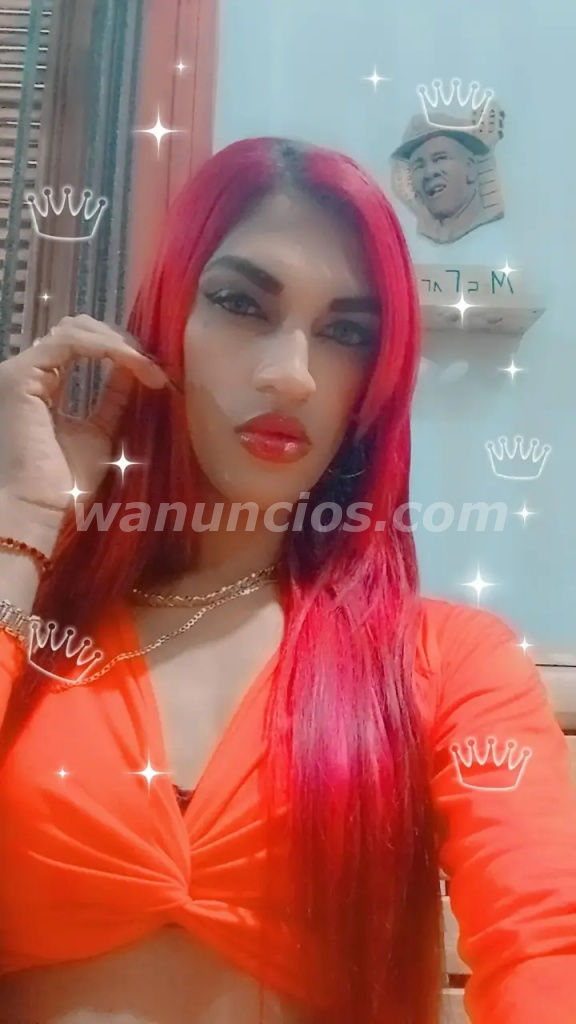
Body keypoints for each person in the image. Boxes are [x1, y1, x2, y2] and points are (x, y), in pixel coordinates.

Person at [0, 137, 574, 1024]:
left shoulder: (447, 663)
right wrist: (25, 525)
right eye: (240, 303)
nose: (290, 375)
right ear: (165, 328)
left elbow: (548, 942)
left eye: (347, 333)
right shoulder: (33, 629)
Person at [390, 113, 505, 244]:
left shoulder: (491, 235)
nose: (429, 172)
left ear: (470, 168)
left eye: (440, 158)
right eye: (419, 166)